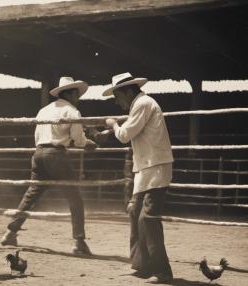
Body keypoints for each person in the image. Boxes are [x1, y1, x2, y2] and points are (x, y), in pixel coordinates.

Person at [1, 77, 97, 256]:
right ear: (68, 93)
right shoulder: (72, 111)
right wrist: (89, 143)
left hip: (38, 154)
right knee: (75, 198)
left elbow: (38, 136)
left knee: (32, 194)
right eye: (76, 93)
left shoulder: (44, 110)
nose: (78, 96)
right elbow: (78, 139)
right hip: (56, 155)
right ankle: (79, 241)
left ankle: (10, 232)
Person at [104, 72, 174, 284]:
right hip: (145, 167)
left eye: (117, 97)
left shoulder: (143, 103)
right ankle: (142, 266)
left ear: (127, 91)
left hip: (156, 166)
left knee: (148, 219)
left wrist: (113, 125)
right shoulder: (140, 105)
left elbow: (125, 135)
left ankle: (162, 271)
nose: (117, 102)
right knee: (135, 213)